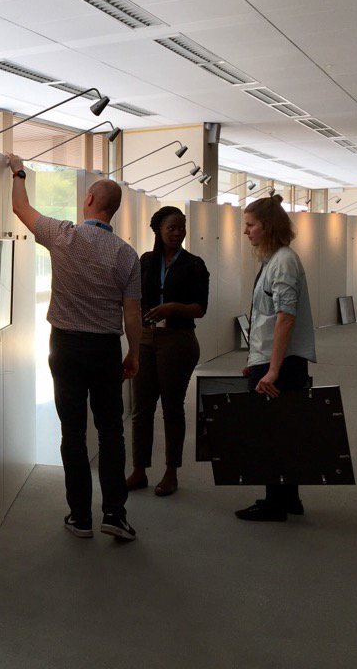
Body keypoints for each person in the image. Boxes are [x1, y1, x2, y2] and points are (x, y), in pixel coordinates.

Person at [7, 153, 141, 540]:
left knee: (73, 432)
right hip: (105, 349)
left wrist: (18, 172)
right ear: (114, 210)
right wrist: (134, 353)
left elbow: (20, 208)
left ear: (89, 200)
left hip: (65, 346)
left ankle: (80, 517)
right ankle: (114, 514)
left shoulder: (63, 235)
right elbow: (132, 314)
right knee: (111, 432)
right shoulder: (126, 255)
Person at [237, 194, 317, 521]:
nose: (246, 231)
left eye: (250, 225)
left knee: (271, 432)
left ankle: (275, 503)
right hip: (273, 360)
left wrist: (271, 369)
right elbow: (268, 318)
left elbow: (285, 317)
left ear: (268, 226)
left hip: (280, 364)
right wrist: (255, 360)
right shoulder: (274, 260)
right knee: (284, 430)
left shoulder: (283, 261)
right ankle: (289, 498)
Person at [127, 206, 209, 497]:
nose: (177, 233)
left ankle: (171, 471)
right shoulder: (146, 261)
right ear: (158, 230)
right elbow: (134, 298)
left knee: (172, 407)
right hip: (147, 337)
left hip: (178, 339)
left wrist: (173, 307)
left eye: (181, 227)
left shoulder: (194, 264)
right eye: (171, 228)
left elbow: (200, 308)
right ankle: (139, 470)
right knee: (141, 408)